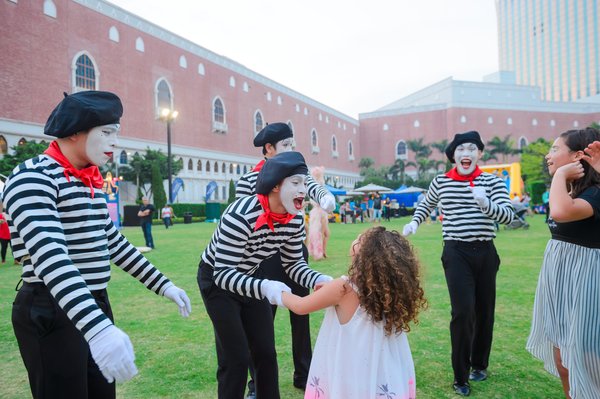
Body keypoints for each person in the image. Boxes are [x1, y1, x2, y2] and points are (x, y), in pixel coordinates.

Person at [3, 91, 191, 399]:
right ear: (75, 131)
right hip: (51, 305)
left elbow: (113, 242)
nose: (115, 142)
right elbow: (52, 257)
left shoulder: (87, 180)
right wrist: (98, 328)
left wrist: (163, 285)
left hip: (93, 300)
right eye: (106, 132)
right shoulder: (32, 177)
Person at [198, 151, 332, 399]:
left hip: (252, 277)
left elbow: (293, 264)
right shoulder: (241, 216)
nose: (303, 190)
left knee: (266, 355)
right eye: (295, 183)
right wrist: (267, 288)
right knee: (236, 359)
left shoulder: (293, 220)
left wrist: (317, 279)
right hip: (218, 282)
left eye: (304, 183)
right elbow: (223, 275)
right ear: (274, 186)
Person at [402, 130, 515, 396]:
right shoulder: (441, 182)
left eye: (472, 149)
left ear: (480, 154)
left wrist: (486, 204)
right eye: (461, 149)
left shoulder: (493, 182)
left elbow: (509, 217)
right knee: (463, 312)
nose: (466, 154)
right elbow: (426, 204)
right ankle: (460, 376)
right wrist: (414, 222)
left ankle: (479, 364)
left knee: (484, 311)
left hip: (486, 251)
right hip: (456, 252)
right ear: (454, 155)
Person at [235, 123, 336, 398]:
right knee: (261, 321)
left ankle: (304, 374)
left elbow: (312, 187)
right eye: (286, 144)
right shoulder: (247, 180)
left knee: (301, 314)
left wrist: (325, 197)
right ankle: (257, 383)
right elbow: (247, 217)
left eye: (293, 143)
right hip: (263, 257)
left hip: (293, 253)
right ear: (269, 149)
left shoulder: (297, 172)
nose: (292, 149)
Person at [282, 226, 427, 398]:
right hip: (378, 371)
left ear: (365, 256)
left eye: (359, 240)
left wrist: (275, 291)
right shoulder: (388, 294)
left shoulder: (343, 288)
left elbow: (300, 306)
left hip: (349, 370)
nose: (356, 238)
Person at [526, 127, 600, 399]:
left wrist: (560, 173)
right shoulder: (570, 189)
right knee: (563, 363)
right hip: (560, 284)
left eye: (555, 149)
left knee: (589, 362)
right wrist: (562, 178)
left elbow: (560, 212)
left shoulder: (596, 193)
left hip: (587, 283)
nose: (548, 155)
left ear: (578, 156)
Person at [307, 166, 330, 260]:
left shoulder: (314, 187)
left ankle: (322, 252)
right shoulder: (318, 187)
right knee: (322, 233)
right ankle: (320, 252)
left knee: (322, 233)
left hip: (318, 212)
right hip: (320, 213)